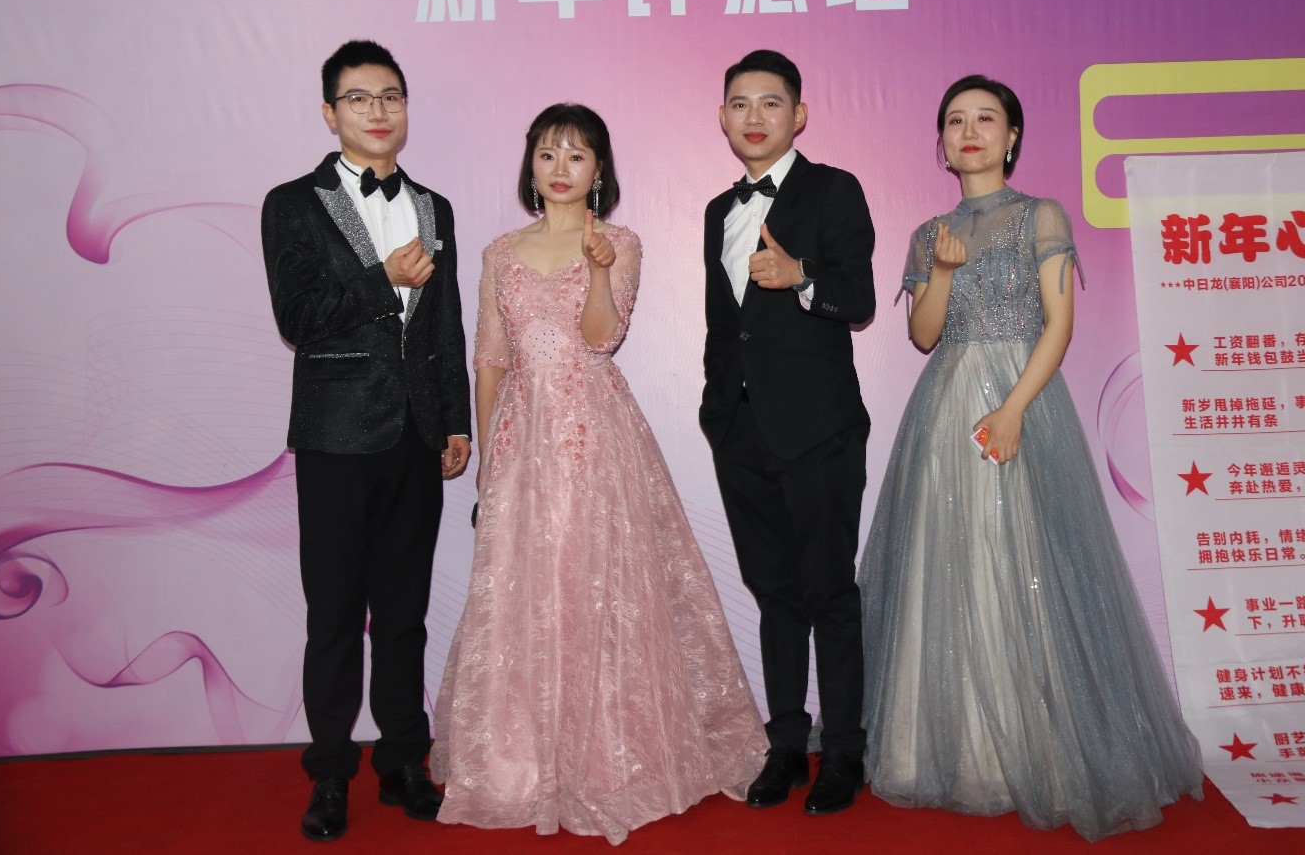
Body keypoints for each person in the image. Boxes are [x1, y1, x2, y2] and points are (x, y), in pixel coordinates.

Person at [858, 75, 1203, 840]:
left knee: (1022, 561)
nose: (969, 131)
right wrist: (942, 272)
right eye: (955, 120)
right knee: (948, 565)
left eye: (985, 118)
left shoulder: (1040, 215)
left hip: (1022, 399)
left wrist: (1012, 409)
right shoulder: (927, 233)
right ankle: (956, 750)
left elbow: (1059, 323)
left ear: (1011, 135)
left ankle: (1038, 746)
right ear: (940, 142)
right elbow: (922, 335)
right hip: (945, 410)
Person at [430, 103, 767, 845]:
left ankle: (609, 758)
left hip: (593, 433)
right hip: (521, 437)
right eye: (548, 153)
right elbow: (490, 358)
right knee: (524, 587)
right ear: (530, 164)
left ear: (599, 170)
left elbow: (601, 339)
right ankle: (520, 757)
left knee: (598, 582)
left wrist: (601, 271)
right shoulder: (498, 252)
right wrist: (488, 456)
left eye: (576, 155)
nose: (560, 168)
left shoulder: (618, 241)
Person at [260, 40, 471, 841]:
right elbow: (298, 318)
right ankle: (329, 774)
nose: (378, 111)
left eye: (390, 96)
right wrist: (382, 278)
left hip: (416, 433)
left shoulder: (433, 207)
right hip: (336, 436)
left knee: (405, 614)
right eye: (359, 98)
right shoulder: (293, 204)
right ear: (330, 113)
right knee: (336, 616)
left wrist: (455, 420)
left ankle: (403, 762)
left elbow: (445, 326)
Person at [700, 50, 876, 816]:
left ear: (797, 115)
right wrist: (717, 412)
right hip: (740, 430)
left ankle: (843, 752)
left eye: (770, 103)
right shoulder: (717, 210)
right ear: (722, 117)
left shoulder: (833, 189)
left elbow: (859, 299)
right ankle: (784, 745)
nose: (754, 117)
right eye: (739, 104)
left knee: (829, 593)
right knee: (773, 595)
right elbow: (724, 326)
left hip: (818, 429)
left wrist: (801, 276)